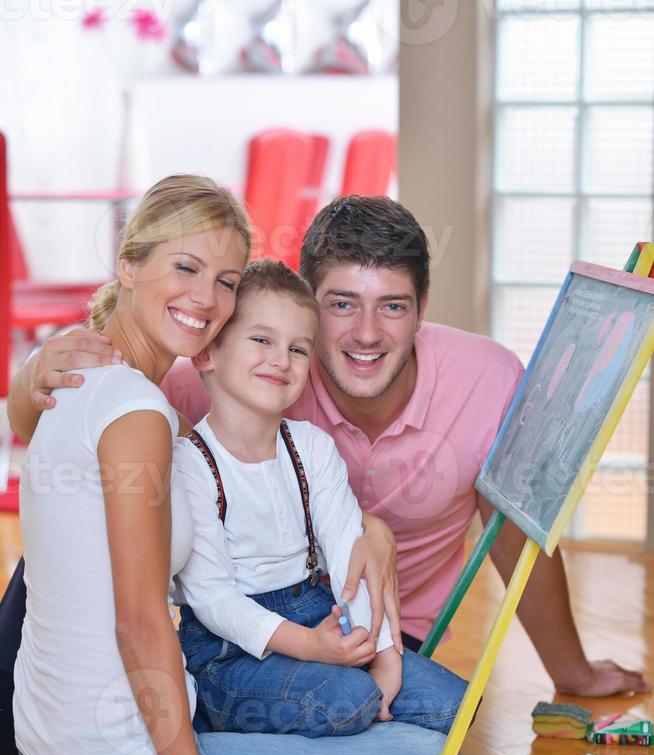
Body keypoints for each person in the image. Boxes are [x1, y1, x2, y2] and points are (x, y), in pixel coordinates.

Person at [7, 197, 648, 697]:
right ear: (307, 307)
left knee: (438, 725)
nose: (366, 334)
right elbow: (69, 429)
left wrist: (573, 671)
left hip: (384, 630)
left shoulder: (489, 379)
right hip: (246, 628)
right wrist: (33, 373)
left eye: (392, 306)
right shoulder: (253, 374)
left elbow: (515, 533)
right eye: (341, 304)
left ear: (422, 308)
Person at [8, 176, 461, 755]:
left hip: (64, 747)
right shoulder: (137, 414)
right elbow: (139, 621)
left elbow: (35, 426)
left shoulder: (88, 378)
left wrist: (369, 528)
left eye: (225, 281)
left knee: (436, 716)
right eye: (184, 268)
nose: (206, 300)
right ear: (128, 264)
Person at [172, 258, 468, 736]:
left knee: (453, 704)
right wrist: (312, 648)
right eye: (262, 340)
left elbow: (351, 555)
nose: (280, 360)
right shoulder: (189, 464)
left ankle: (350, 740)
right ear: (207, 353)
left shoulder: (311, 446)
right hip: (231, 648)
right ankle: (225, 717)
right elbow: (211, 599)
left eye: (298, 349)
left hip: (317, 611)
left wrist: (387, 653)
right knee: (347, 701)